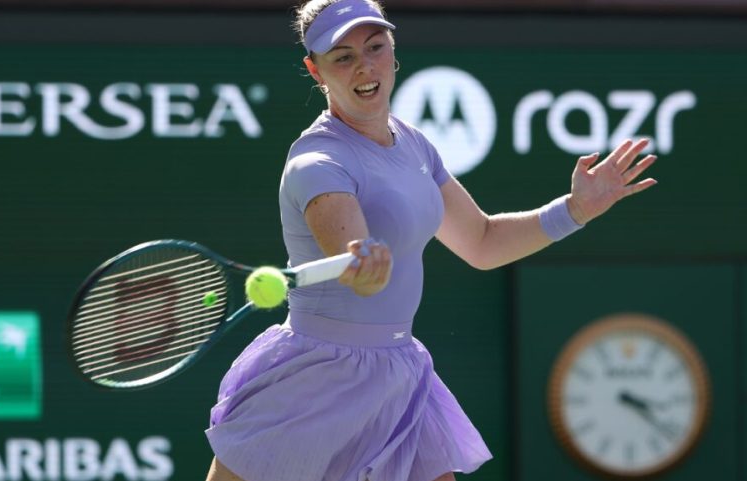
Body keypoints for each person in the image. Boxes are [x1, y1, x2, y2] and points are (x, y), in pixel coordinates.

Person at [204, 1, 657, 480]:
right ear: (316, 71)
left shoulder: (413, 143)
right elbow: (356, 267)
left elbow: (482, 241)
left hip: (399, 372)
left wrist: (575, 209)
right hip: (317, 378)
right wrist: (365, 267)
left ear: (392, 48)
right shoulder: (316, 164)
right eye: (343, 57)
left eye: (375, 47)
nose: (365, 66)